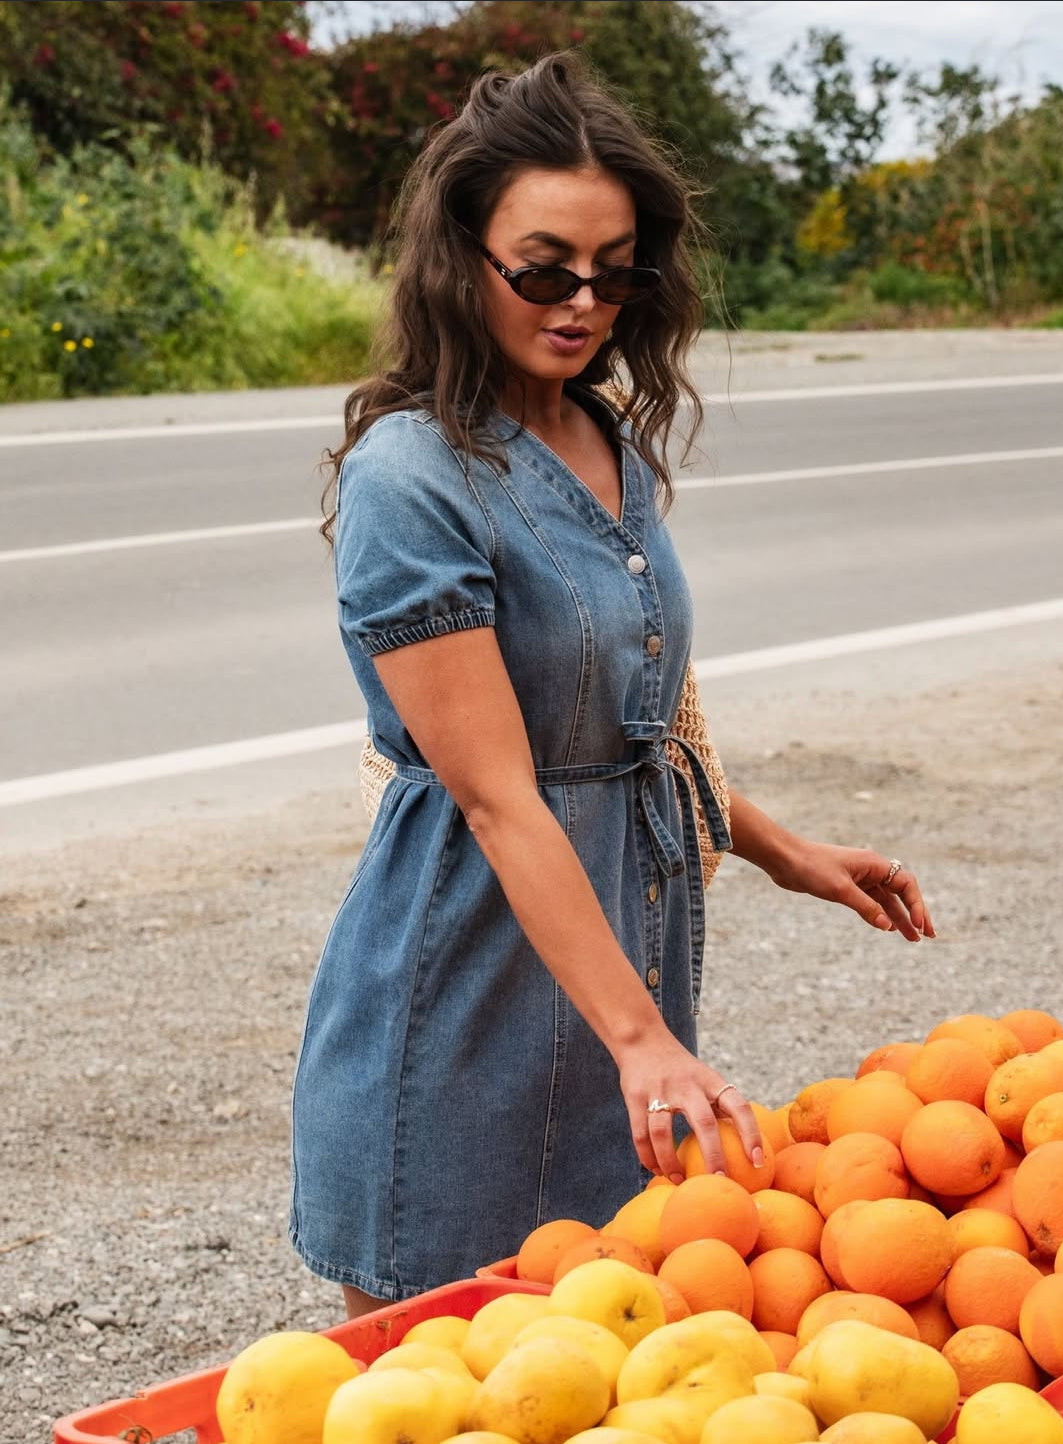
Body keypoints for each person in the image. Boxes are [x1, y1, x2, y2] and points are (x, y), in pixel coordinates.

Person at [289, 51, 934, 1319]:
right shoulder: (411, 478)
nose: (582, 301)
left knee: (604, 1357)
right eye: (542, 267)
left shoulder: (605, 439)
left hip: (619, 972)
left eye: (616, 270)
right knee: (446, 1355)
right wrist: (643, 1041)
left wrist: (779, 848)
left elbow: (625, 732)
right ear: (459, 257)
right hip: (468, 982)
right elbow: (497, 795)